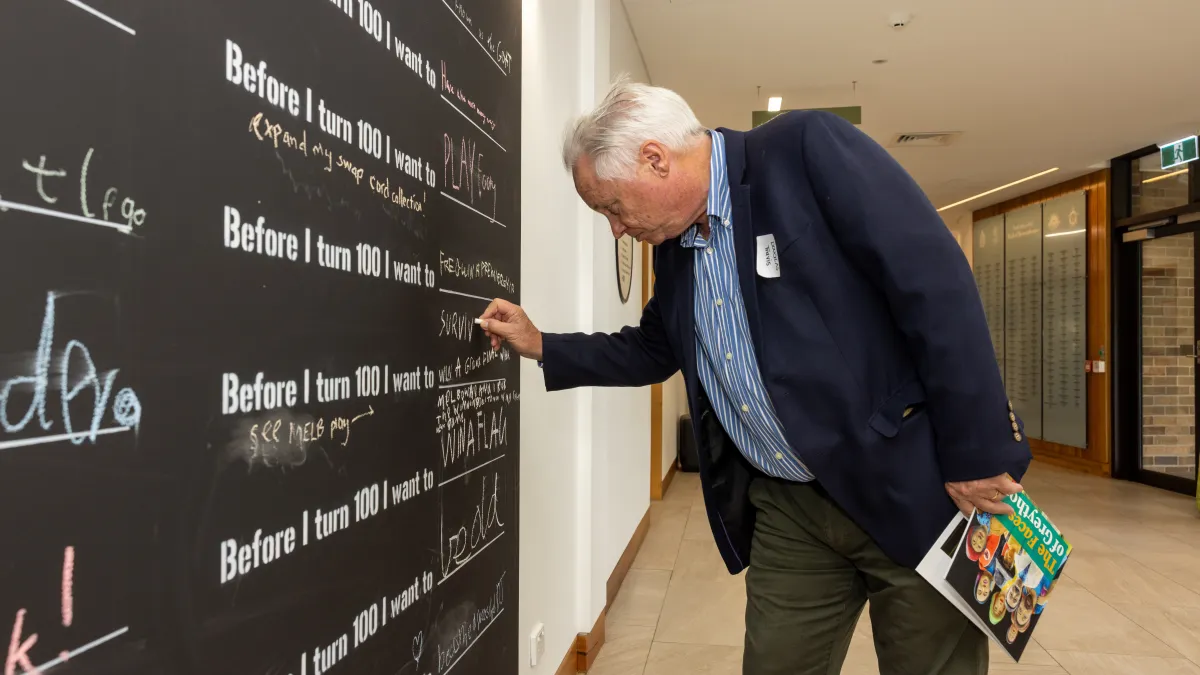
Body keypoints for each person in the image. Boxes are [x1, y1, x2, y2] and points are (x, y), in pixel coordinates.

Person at [479, 77, 1032, 675]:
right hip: (790, 509)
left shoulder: (803, 150)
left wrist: (977, 451)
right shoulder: (673, 247)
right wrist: (541, 345)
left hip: (908, 486)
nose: (616, 227)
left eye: (612, 206)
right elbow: (652, 348)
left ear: (655, 159)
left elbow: (934, 285)